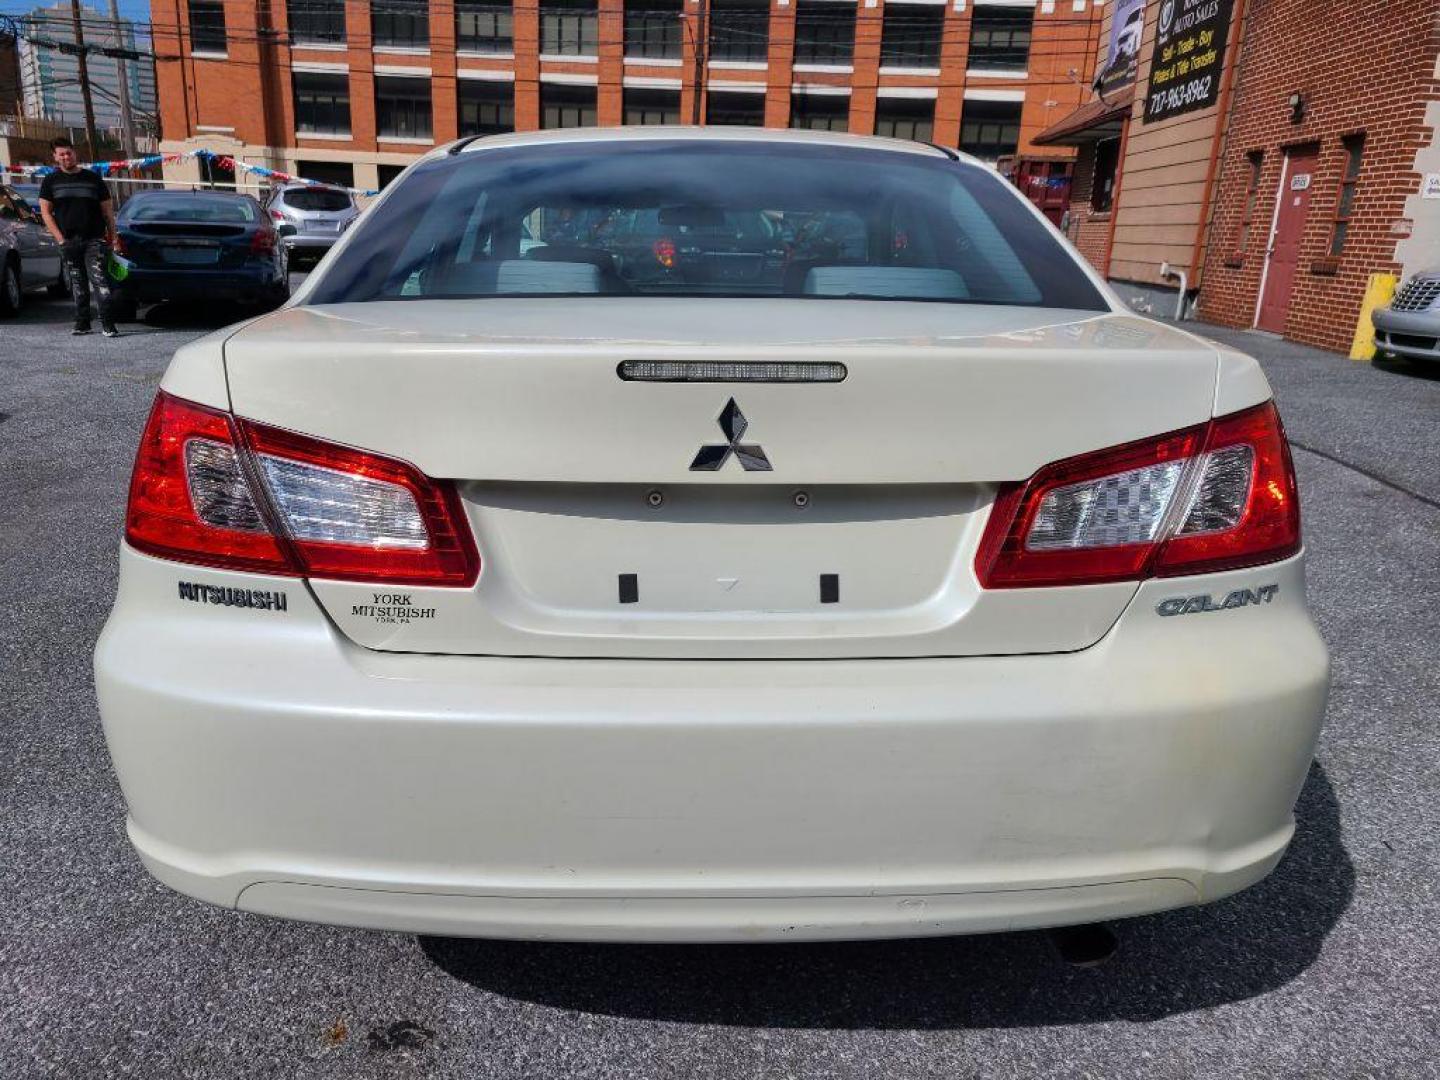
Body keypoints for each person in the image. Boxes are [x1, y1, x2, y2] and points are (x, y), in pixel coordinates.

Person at [38, 137, 119, 337]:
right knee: (77, 282)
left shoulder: (93, 179)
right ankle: (83, 323)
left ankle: (108, 323)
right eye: (62, 154)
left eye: (69, 152)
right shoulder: (50, 181)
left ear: (75, 153)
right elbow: (46, 213)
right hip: (68, 241)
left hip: (95, 239)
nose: (66, 157)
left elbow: (108, 211)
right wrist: (60, 239)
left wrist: (114, 238)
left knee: (99, 281)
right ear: (55, 157)